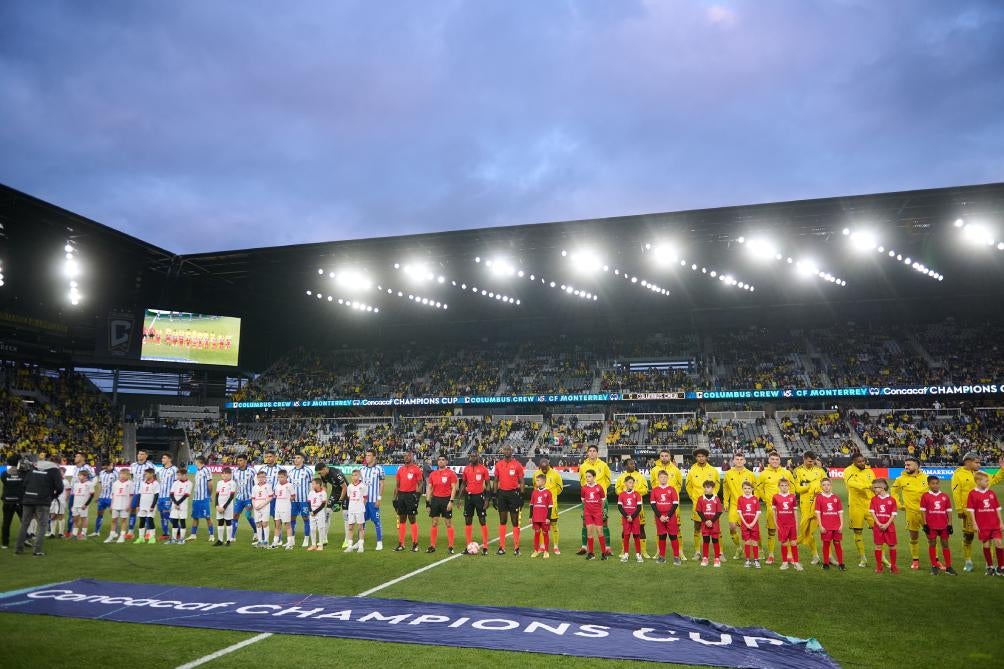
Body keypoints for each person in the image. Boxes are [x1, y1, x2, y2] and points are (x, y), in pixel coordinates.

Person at [951, 453, 1004, 572]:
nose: (979, 464)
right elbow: (956, 492)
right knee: (968, 536)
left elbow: (995, 479)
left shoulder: (982, 474)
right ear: (968, 462)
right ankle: (968, 561)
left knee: (989, 537)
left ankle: (988, 564)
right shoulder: (958, 474)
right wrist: (959, 509)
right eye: (977, 462)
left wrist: (1002, 469)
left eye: (979, 462)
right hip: (969, 511)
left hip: (985, 511)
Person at [756, 451, 793, 565]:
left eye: (777, 459)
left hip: (786, 509)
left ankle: (789, 555)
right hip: (771, 509)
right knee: (771, 531)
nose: (775, 461)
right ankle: (771, 555)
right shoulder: (763, 474)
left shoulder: (787, 473)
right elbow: (758, 489)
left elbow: (793, 488)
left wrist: (789, 500)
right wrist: (766, 499)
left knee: (787, 532)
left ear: (780, 460)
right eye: (772, 459)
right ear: (769, 460)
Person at [891, 456, 928, 571]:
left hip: (927, 513)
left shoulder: (926, 478)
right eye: (905, 465)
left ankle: (935, 560)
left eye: (909, 465)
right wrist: (899, 504)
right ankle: (915, 561)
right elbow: (893, 492)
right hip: (911, 513)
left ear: (917, 466)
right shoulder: (900, 479)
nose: (906, 467)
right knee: (914, 537)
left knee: (931, 538)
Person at [685, 448, 720, 561]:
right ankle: (697, 552)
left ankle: (720, 553)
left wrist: (712, 497)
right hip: (698, 505)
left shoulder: (713, 470)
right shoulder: (692, 470)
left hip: (712, 505)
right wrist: (694, 498)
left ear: (706, 457)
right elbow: (688, 486)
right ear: (696, 458)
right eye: (699, 456)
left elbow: (717, 486)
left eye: (703, 456)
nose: (701, 458)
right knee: (697, 527)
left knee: (715, 528)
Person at [577, 445, 612, 557]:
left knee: (604, 522)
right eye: (590, 451)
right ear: (587, 453)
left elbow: (608, 480)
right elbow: (581, 481)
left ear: (597, 453)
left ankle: (607, 548)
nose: (592, 453)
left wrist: (600, 490)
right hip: (588, 501)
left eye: (594, 451)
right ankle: (584, 547)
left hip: (600, 499)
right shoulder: (583, 466)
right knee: (585, 523)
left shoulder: (603, 465)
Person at [966, 471, 1003, 576]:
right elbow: (971, 510)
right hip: (983, 524)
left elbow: (997, 508)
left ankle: (1001, 567)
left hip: (995, 523)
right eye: (986, 481)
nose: (987, 482)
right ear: (978, 481)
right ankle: (990, 567)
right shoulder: (972, 494)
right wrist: (974, 523)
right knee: (986, 544)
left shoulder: (991, 493)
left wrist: (1001, 522)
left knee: (999, 543)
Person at [649, 449, 684, 560]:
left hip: (672, 506)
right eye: (662, 456)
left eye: (666, 456)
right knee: (660, 531)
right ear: (660, 457)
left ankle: (679, 552)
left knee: (677, 529)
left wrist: (671, 494)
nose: (664, 457)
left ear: (670, 457)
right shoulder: (654, 470)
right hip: (659, 507)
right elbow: (653, 484)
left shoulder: (675, 470)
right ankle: (659, 552)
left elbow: (679, 485)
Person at [843, 452, 875, 567]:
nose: (862, 463)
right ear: (854, 462)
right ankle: (863, 558)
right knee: (858, 531)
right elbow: (850, 483)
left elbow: (874, 485)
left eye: (863, 461)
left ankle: (882, 557)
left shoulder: (869, 471)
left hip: (870, 505)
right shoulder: (848, 471)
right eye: (859, 462)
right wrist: (867, 485)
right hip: (856, 506)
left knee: (878, 530)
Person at [919, 475, 956, 575]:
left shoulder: (945, 496)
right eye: (933, 483)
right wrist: (925, 524)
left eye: (937, 483)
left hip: (943, 525)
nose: (935, 485)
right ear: (929, 485)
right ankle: (934, 566)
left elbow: (949, 511)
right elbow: (922, 511)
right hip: (931, 525)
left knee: (945, 544)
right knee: (932, 544)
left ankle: (948, 567)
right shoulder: (925, 496)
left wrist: (950, 524)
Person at [723, 453, 757, 560]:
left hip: (748, 506)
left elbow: (755, 489)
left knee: (751, 528)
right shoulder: (728, 474)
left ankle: (759, 549)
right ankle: (738, 548)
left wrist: (754, 503)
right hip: (734, 505)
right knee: (732, 527)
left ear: (744, 461)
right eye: (737, 459)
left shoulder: (750, 474)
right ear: (733, 461)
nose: (739, 461)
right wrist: (725, 502)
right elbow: (726, 489)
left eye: (741, 459)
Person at [492, 446, 525, 556]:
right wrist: (494, 495)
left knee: (515, 521)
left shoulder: (517, 465)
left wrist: (522, 495)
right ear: (503, 451)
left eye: (509, 450)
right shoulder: (498, 464)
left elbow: (522, 481)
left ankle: (516, 548)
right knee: (502, 520)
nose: (507, 451)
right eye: (505, 450)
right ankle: (502, 547)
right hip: (502, 494)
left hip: (514, 494)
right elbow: (496, 481)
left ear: (512, 451)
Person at [793, 451, 825, 565]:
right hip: (805, 503)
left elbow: (826, 485)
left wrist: (818, 490)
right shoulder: (798, 471)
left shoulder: (820, 471)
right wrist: (810, 486)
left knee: (821, 530)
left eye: (813, 461)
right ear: (804, 459)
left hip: (819, 502)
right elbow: (797, 488)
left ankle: (792, 545)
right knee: (806, 530)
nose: (811, 463)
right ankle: (815, 555)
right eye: (809, 461)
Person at [615, 459, 649, 558]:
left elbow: (645, 489)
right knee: (625, 530)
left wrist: (634, 491)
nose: (633, 465)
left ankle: (643, 551)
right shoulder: (621, 477)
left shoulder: (640, 476)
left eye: (634, 463)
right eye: (630, 464)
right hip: (626, 509)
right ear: (626, 465)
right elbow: (617, 490)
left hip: (638, 508)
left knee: (641, 528)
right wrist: (626, 492)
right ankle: (623, 551)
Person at [459, 452, 491, 556]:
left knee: (482, 520)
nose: (473, 457)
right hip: (468, 497)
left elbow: (487, 485)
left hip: (479, 497)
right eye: (471, 456)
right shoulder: (466, 469)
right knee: (468, 521)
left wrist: (487, 499)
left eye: (475, 456)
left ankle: (485, 547)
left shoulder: (483, 469)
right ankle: (468, 546)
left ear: (478, 457)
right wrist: (459, 498)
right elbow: (463, 483)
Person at [426, 454, 459, 554]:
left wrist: (451, 501)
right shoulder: (433, 474)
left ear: (446, 462)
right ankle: (432, 546)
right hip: (435, 500)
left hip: (446, 500)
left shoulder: (451, 473)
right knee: (434, 523)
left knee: (448, 523)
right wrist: (428, 503)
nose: (441, 461)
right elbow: (429, 488)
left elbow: (454, 488)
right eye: (439, 460)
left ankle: (450, 546)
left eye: (443, 460)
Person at [394, 451, 423, 552]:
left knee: (412, 519)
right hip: (401, 496)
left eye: (408, 456)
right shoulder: (400, 469)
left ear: (412, 457)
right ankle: (401, 544)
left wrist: (417, 495)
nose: (406, 457)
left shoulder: (416, 469)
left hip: (411, 495)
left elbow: (420, 483)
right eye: (405, 456)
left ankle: (415, 544)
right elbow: (397, 485)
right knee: (402, 519)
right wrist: (394, 498)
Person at [814, 477, 845, 571]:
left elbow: (840, 512)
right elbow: (818, 513)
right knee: (826, 544)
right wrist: (821, 525)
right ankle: (826, 563)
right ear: (821, 486)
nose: (826, 487)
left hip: (836, 525)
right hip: (825, 526)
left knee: (837, 543)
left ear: (831, 486)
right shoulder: (819, 498)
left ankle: (841, 563)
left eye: (828, 485)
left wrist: (841, 524)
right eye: (824, 485)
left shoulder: (836, 498)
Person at [650, 469, 681, 564]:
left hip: (670, 516)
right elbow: (653, 504)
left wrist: (668, 516)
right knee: (662, 536)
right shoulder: (655, 490)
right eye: (661, 477)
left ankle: (676, 556)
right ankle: (662, 556)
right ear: (658, 478)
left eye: (665, 477)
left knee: (673, 536)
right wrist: (660, 516)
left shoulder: (672, 489)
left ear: (667, 478)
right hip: (659, 517)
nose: (663, 479)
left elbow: (675, 504)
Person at [869, 478, 899, 574]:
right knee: (878, 546)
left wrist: (886, 524)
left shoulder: (892, 500)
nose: (874, 489)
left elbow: (893, 514)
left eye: (875, 488)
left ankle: (893, 566)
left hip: (889, 526)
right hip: (878, 527)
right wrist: (878, 523)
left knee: (892, 546)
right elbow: (873, 513)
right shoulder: (874, 499)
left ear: (882, 487)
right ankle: (879, 566)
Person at [315, 463, 348, 548]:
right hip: (335, 492)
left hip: (346, 492)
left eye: (320, 472)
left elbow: (345, 487)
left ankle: (347, 539)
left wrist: (340, 501)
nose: (319, 474)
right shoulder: (323, 475)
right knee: (327, 512)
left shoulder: (336, 474)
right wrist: (324, 497)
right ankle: (324, 538)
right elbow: (325, 486)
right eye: (318, 473)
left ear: (325, 469)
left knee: (345, 514)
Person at [772, 478, 802, 571]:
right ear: (779, 486)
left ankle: (796, 562)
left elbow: (795, 511)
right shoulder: (775, 497)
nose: (784, 487)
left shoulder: (792, 496)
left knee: (793, 543)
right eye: (782, 485)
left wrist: (796, 523)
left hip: (792, 523)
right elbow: (774, 511)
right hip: (782, 524)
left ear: (789, 486)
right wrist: (776, 523)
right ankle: (784, 562)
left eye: (786, 485)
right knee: (784, 543)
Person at [536, 457, 564, 555]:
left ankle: (555, 546)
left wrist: (552, 497)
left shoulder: (555, 474)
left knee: (554, 525)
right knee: (541, 527)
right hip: (540, 507)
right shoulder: (536, 474)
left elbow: (560, 489)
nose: (544, 470)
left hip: (552, 506)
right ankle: (542, 546)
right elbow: (535, 488)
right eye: (542, 468)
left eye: (545, 468)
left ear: (548, 465)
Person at [359, 450, 385, 551]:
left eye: (369, 455)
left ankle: (379, 542)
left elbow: (382, 484)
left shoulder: (379, 469)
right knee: (361, 522)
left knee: (376, 522)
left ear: (374, 457)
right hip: (363, 501)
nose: (367, 457)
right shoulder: (362, 469)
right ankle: (360, 542)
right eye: (366, 455)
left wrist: (379, 499)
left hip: (373, 500)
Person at [580, 469, 608, 560]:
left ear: (594, 477)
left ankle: (604, 553)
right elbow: (583, 501)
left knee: (600, 531)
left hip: (597, 513)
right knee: (589, 532)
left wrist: (599, 510)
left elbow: (603, 500)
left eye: (589, 476)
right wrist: (588, 508)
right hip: (588, 513)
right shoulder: (584, 488)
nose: (587, 478)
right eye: (586, 477)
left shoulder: (599, 487)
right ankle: (591, 553)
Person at [288, 454, 314, 548]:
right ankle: (292, 539)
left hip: (304, 500)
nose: (296, 459)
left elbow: (311, 485)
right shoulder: (290, 472)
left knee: (306, 518)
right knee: (292, 519)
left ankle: (306, 539)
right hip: (293, 501)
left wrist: (311, 498)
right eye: (294, 458)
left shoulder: (308, 470)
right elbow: (289, 486)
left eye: (298, 458)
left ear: (303, 459)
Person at [231, 455, 258, 543]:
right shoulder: (234, 471)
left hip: (249, 498)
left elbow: (256, 484)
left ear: (246, 461)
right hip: (239, 498)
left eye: (241, 460)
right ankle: (232, 536)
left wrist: (255, 497)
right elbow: (233, 484)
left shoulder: (252, 471)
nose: (238, 462)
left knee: (248, 516)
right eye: (238, 460)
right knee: (235, 516)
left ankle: (256, 532)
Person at [697, 479, 724, 567]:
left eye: (708, 487)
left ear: (712, 488)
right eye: (705, 487)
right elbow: (699, 511)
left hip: (714, 524)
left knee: (715, 540)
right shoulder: (701, 499)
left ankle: (717, 559)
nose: (706, 489)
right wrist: (706, 521)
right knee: (706, 540)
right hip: (705, 524)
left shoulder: (716, 499)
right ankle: (705, 558)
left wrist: (711, 521)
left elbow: (719, 512)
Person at [617, 475, 644, 563]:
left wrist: (632, 517)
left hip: (635, 518)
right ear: (625, 483)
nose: (632, 484)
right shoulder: (622, 494)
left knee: (636, 535)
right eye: (630, 482)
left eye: (633, 483)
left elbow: (639, 507)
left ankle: (638, 554)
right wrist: (627, 516)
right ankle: (626, 554)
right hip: (626, 519)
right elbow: (620, 507)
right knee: (626, 536)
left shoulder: (637, 494)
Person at [1, 455, 25, 549]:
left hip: (7, 501)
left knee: (6, 522)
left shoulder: (4, 474)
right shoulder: (22, 474)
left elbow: (4, 482)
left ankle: (5, 543)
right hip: (19, 501)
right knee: (24, 522)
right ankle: (24, 540)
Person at [737, 480, 762, 568]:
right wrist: (746, 524)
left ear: (752, 489)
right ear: (742, 489)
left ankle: (756, 560)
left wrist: (753, 523)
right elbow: (740, 513)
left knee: (755, 542)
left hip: (754, 524)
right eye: (745, 488)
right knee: (747, 542)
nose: (747, 490)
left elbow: (758, 512)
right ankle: (747, 560)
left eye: (749, 488)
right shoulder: (740, 498)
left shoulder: (755, 499)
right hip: (745, 524)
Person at [127, 449, 151, 539]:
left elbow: (153, 479)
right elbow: (132, 477)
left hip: (146, 493)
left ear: (146, 456)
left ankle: (148, 532)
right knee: (132, 510)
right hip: (135, 492)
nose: (140, 455)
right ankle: (131, 532)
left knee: (145, 511)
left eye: (142, 454)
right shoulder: (133, 465)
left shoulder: (149, 465)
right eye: (139, 454)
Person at [104, 468, 132, 543]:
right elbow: (113, 495)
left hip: (124, 504)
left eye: (125, 474)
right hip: (115, 504)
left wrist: (129, 505)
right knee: (113, 520)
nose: (123, 476)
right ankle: (111, 535)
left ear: (128, 476)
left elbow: (131, 495)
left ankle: (122, 536)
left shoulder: (130, 483)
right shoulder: (115, 483)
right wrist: (111, 505)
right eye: (121, 474)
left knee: (123, 520)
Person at [530, 473, 554, 559]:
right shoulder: (534, 492)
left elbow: (550, 506)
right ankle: (536, 550)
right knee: (536, 533)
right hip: (536, 517)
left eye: (538, 480)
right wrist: (530, 516)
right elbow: (531, 505)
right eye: (536, 480)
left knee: (545, 533)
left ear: (544, 481)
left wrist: (548, 518)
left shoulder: (548, 492)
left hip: (544, 517)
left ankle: (546, 551)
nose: (536, 482)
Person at [133, 468, 160, 544]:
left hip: (150, 506)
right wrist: (138, 505)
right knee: (142, 521)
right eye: (145, 474)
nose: (145, 475)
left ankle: (152, 538)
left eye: (146, 474)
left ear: (151, 474)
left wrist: (152, 506)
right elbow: (139, 495)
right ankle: (141, 538)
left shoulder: (156, 484)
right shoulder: (143, 483)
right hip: (142, 505)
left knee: (150, 520)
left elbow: (156, 496)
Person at [189, 456, 213, 541]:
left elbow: (210, 484)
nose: (194, 462)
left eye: (195, 461)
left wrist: (209, 495)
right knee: (195, 516)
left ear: (199, 461)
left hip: (204, 498)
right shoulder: (197, 471)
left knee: (207, 517)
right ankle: (193, 534)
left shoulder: (206, 470)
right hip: (196, 498)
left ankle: (211, 535)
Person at [272, 469, 296, 550]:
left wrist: (287, 501)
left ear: (286, 477)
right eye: (279, 477)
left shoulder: (289, 485)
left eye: (282, 477)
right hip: (278, 507)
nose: (280, 479)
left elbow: (293, 496)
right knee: (277, 525)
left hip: (286, 507)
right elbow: (275, 495)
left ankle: (290, 543)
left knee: (287, 525)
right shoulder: (277, 485)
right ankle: (275, 542)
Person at [345, 469, 367, 553]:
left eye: (356, 475)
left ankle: (361, 546)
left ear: (359, 476)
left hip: (360, 509)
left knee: (360, 527)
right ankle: (350, 546)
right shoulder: (349, 486)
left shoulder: (363, 486)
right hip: (351, 509)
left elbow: (365, 498)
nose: (354, 477)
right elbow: (349, 497)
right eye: (353, 475)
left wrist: (361, 507)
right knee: (350, 527)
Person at [157, 454, 178, 540]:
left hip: (168, 496)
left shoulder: (174, 469)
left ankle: (179, 530)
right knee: (162, 515)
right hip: (160, 496)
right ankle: (165, 533)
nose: (162, 459)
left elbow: (176, 484)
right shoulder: (161, 470)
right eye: (162, 457)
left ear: (169, 459)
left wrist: (173, 497)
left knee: (167, 514)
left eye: (164, 458)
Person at [168, 467, 192, 544]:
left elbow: (186, 495)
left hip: (183, 505)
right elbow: (171, 494)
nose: (177, 477)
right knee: (174, 521)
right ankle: (174, 539)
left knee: (182, 521)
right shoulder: (175, 483)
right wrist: (175, 503)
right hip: (175, 505)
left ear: (184, 475)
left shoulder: (189, 483)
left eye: (179, 475)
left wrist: (178, 503)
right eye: (177, 475)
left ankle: (182, 539)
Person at [213, 467, 235, 546]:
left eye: (227, 473)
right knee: (220, 522)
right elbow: (216, 495)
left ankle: (228, 540)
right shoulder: (219, 483)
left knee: (228, 522)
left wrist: (224, 507)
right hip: (219, 506)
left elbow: (231, 496)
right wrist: (216, 505)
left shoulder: (232, 483)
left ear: (230, 475)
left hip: (227, 507)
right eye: (223, 473)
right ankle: (220, 540)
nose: (225, 475)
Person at [93, 462, 117, 537]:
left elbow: (118, 486)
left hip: (111, 498)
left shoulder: (116, 474)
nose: (110, 466)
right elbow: (99, 485)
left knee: (114, 515)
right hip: (102, 497)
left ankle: (115, 532)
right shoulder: (101, 473)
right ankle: (97, 532)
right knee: (99, 514)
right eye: (109, 465)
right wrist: (97, 496)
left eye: (111, 465)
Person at [251, 470, 274, 548]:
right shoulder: (254, 487)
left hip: (265, 506)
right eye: (259, 477)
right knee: (258, 524)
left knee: (265, 523)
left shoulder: (268, 486)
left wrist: (262, 505)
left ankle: (266, 541)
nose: (261, 479)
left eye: (263, 477)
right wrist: (254, 505)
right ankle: (260, 541)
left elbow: (271, 497)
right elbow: (253, 498)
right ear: (257, 478)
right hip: (256, 507)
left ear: (265, 478)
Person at [70, 469, 95, 540]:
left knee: (84, 519)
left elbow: (92, 495)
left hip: (83, 505)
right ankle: (74, 534)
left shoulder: (89, 484)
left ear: (85, 476)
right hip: (75, 505)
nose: (78, 477)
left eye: (80, 475)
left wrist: (86, 504)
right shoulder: (76, 484)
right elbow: (74, 495)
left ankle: (83, 534)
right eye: (78, 475)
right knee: (75, 519)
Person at [306, 478, 329, 551]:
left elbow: (323, 504)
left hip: (319, 513)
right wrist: (310, 511)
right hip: (312, 513)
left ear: (318, 484)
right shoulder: (311, 492)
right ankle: (313, 545)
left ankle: (321, 544)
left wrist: (315, 512)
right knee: (312, 529)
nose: (312, 485)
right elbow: (309, 502)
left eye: (313, 484)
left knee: (320, 528)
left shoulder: (323, 493)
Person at [49, 466, 68, 538]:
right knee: (52, 515)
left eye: (61, 472)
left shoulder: (65, 481)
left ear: (64, 473)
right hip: (53, 500)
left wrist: (65, 500)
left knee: (60, 516)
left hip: (61, 500)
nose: (59, 473)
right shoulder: (53, 480)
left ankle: (61, 533)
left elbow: (68, 491)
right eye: (58, 471)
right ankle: (52, 533)